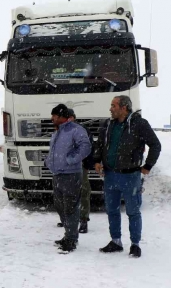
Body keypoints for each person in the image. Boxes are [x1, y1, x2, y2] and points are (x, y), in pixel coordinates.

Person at [94, 95, 161, 258]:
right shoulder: (108, 124)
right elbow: (99, 144)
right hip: (110, 175)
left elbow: (155, 145)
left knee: (133, 211)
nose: (111, 109)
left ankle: (135, 244)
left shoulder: (139, 124)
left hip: (130, 176)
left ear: (124, 108)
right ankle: (116, 241)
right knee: (112, 210)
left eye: (113, 105)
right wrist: (97, 160)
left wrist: (148, 166)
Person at [46, 104, 92, 253]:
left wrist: (71, 160)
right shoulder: (57, 132)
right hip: (57, 174)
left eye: (54, 116)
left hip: (71, 175)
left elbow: (85, 147)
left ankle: (72, 239)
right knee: (60, 206)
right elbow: (53, 150)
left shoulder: (76, 130)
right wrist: (49, 161)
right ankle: (68, 235)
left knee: (70, 208)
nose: (52, 118)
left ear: (62, 116)